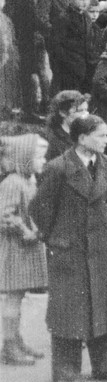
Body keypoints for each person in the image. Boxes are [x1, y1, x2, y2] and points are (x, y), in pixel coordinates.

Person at [31, 114, 107, 382]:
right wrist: (56, 239)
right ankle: (65, 371)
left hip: (102, 248)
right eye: (101, 135)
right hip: (69, 250)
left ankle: (106, 366)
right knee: (69, 311)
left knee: (105, 306)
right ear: (82, 138)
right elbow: (39, 208)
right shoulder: (59, 167)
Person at [0, 133, 48, 366]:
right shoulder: (13, 182)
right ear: (24, 157)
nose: (44, 161)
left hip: (26, 247)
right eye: (39, 157)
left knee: (18, 296)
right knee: (13, 297)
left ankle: (16, 339)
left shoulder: (29, 180)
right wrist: (24, 230)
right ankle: (8, 346)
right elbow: (3, 215)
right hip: (15, 248)